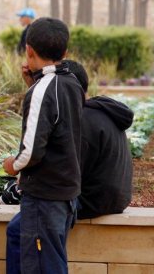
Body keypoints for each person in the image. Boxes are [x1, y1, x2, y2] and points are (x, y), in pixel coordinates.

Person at [2, 17, 84, 274]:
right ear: (65, 52)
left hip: (44, 196)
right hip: (66, 191)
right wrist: (33, 85)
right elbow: (56, 122)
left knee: (45, 265)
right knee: (21, 237)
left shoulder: (42, 90)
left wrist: (13, 166)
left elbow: (32, 151)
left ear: (28, 50)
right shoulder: (72, 82)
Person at [64, 60, 134, 220]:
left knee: (25, 220)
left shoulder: (81, 120)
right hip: (117, 200)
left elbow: (68, 176)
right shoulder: (100, 110)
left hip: (91, 203)